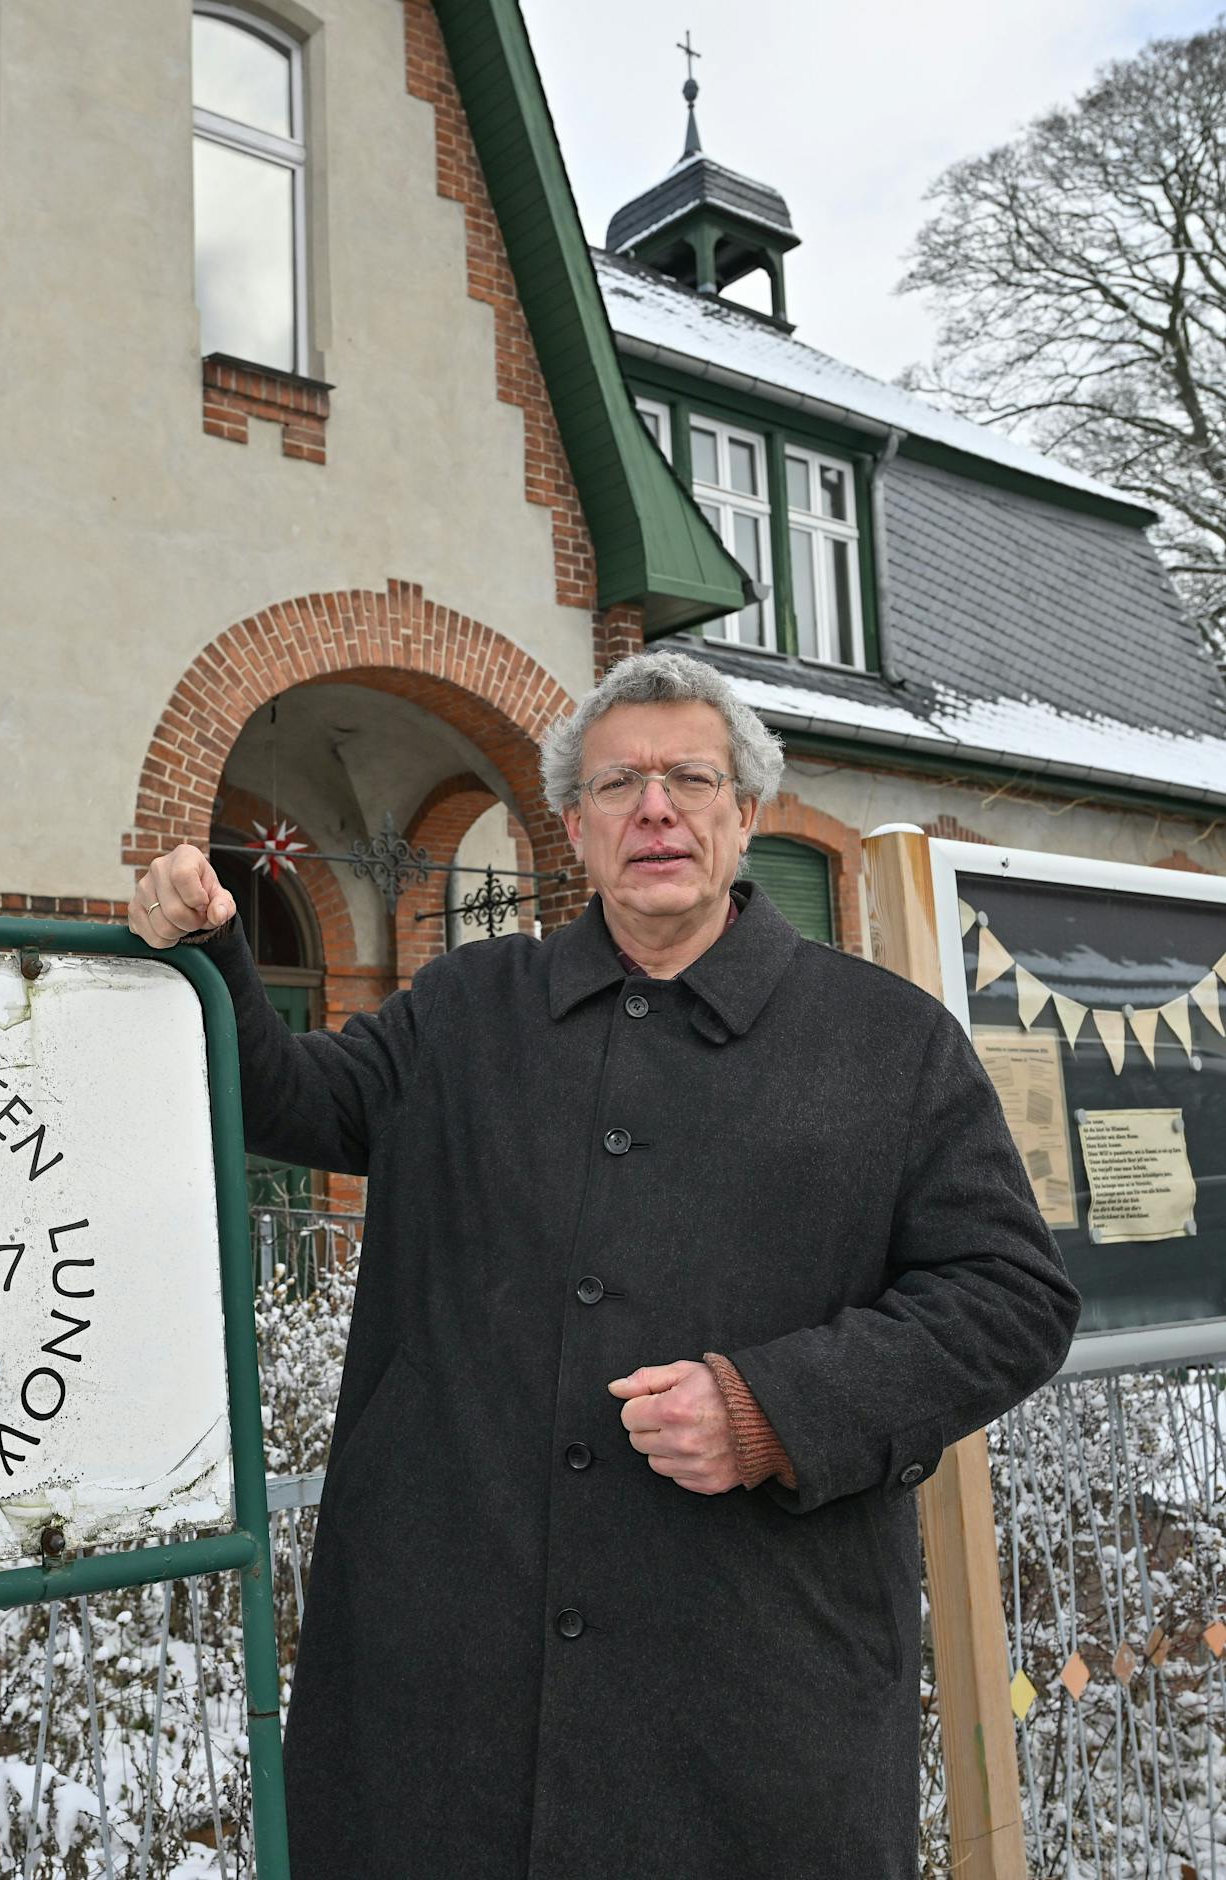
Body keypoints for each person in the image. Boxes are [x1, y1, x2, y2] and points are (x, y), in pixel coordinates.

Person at [130, 648, 1078, 1879]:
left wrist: (767, 1410)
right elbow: (291, 1098)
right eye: (618, 783)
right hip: (449, 1694)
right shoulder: (468, 1005)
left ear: (745, 813)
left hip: (748, 1702)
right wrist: (207, 949)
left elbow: (1008, 1299)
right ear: (572, 826)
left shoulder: (886, 1043)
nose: (655, 808)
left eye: (691, 777)